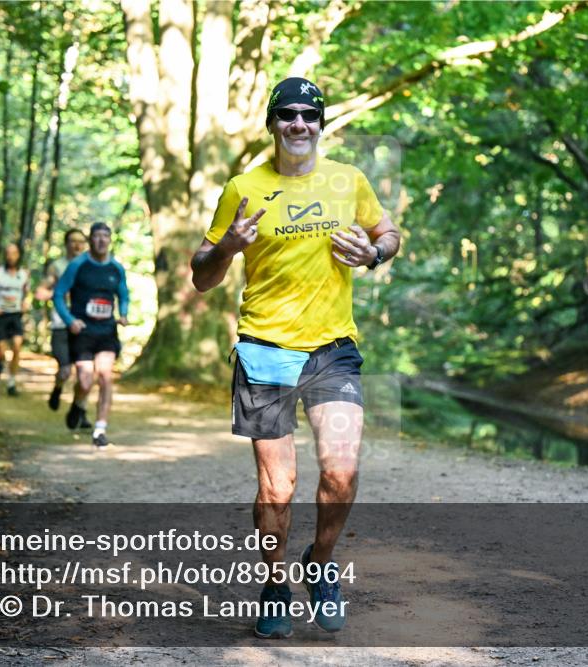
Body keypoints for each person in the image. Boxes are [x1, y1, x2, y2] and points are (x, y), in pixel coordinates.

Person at [190, 77, 401, 638]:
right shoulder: (243, 187)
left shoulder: (348, 181)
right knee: (276, 489)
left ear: (321, 123)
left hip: (332, 349)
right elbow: (203, 275)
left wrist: (376, 252)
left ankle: (321, 563)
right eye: (287, 115)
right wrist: (230, 246)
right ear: (272, 124)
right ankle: (276, 583)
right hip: (264, 350)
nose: (299, 124)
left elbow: (388, 232)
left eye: (310, 114)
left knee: (342, 472)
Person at [53, 222, 130, 448]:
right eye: (96, 236)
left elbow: (124, 294)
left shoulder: (116, 268)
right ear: (90, 240)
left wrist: (123, 313)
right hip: (83, 332)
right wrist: (70, 321)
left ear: (110, 240)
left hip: (106, 331)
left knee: (105, 375)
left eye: (105, 236)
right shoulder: (78, 265)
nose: (101, 240)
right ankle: (78, 404)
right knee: (85, 381)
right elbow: (58, 295)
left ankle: (100, 430)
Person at [35, 229, 89, 416]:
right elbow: (40, 293)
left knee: (85, 372)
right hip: (61, 325)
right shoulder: (57, 267)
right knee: (65, 371)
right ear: (66, 244)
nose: (77, 245)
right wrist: (59, 292)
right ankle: (58, 389)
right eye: (73, 241)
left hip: (84, 326)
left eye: (81, 242)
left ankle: (79, 409)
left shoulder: (89, 266)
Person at [0, 243, 31, 396]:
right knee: (2, 352)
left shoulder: (24, 274)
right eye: (8, 253)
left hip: (15, 315)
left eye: (14, 253)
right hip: (0, 315)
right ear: (5, 255)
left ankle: (11, 383)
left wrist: (25, 303)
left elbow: (27, 292)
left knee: (17, 347)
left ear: (18, 255)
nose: (11, 256)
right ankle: (0, 361)